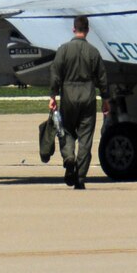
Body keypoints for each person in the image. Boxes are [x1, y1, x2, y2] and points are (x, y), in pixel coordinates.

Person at [48, 15, 110, 189]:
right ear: (88, 30)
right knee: (85, 138)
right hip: (88, 96)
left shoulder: (63, 50)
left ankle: (68, 157)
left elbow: (55, 74)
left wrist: (52, 96)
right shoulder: (93, 52)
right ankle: (80, 177)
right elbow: (103, 78)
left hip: (68, 96)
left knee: (66, 130)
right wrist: (106, 99)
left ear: (74, 29)